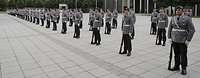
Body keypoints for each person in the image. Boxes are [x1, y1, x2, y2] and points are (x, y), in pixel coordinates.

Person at [168, 6, 195, 75]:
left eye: (179, 10)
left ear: (182, 11)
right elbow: (170, 28)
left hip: (183, 40)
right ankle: (176, 66)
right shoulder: (173, 18)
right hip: (174, 39)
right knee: (176, 54)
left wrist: (188, 40)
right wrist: (169, 38)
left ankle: (183, 68)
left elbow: (192, 30)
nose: (178, 11)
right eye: (177, 10)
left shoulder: (187, 18)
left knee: (183, 55)